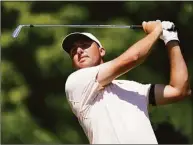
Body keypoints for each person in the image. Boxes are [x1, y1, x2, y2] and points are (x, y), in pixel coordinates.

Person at [62, 20, 191, 144]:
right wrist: (156, 31)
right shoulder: (75, 82)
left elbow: (179, 90)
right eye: (73, 51)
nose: (78, 51)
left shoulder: (130, 87)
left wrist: (171, 40)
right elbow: (133, 58)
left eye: (84, 45)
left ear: (102, 51)